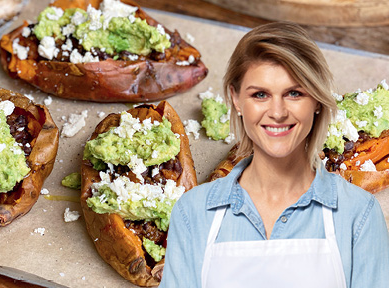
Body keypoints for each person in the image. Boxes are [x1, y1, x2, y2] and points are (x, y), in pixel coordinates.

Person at [160, 22, 389, 288]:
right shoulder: (192, 212)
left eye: (294, 93)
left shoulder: (359, 214)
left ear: (317, 100)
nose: (277, 112)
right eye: (260, 94)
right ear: (235, 99)